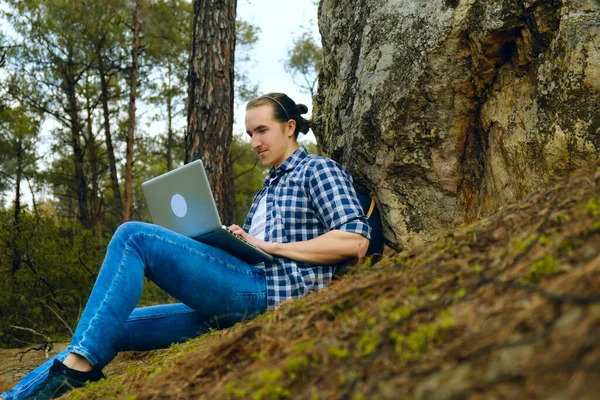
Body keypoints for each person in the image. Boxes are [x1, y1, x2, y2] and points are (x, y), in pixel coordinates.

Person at [1, 93, 371, 400]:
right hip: (236, 295)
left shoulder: (318, 170)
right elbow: (259, 250)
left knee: (133, 235)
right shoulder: (265, 192)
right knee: (108, 325)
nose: (255, 142)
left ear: (289, 128)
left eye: (262, 130)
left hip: (272, 295)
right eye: (249, 134)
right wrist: (233, 241)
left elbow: (354, 240)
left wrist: (271, 246)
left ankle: (77, 371)